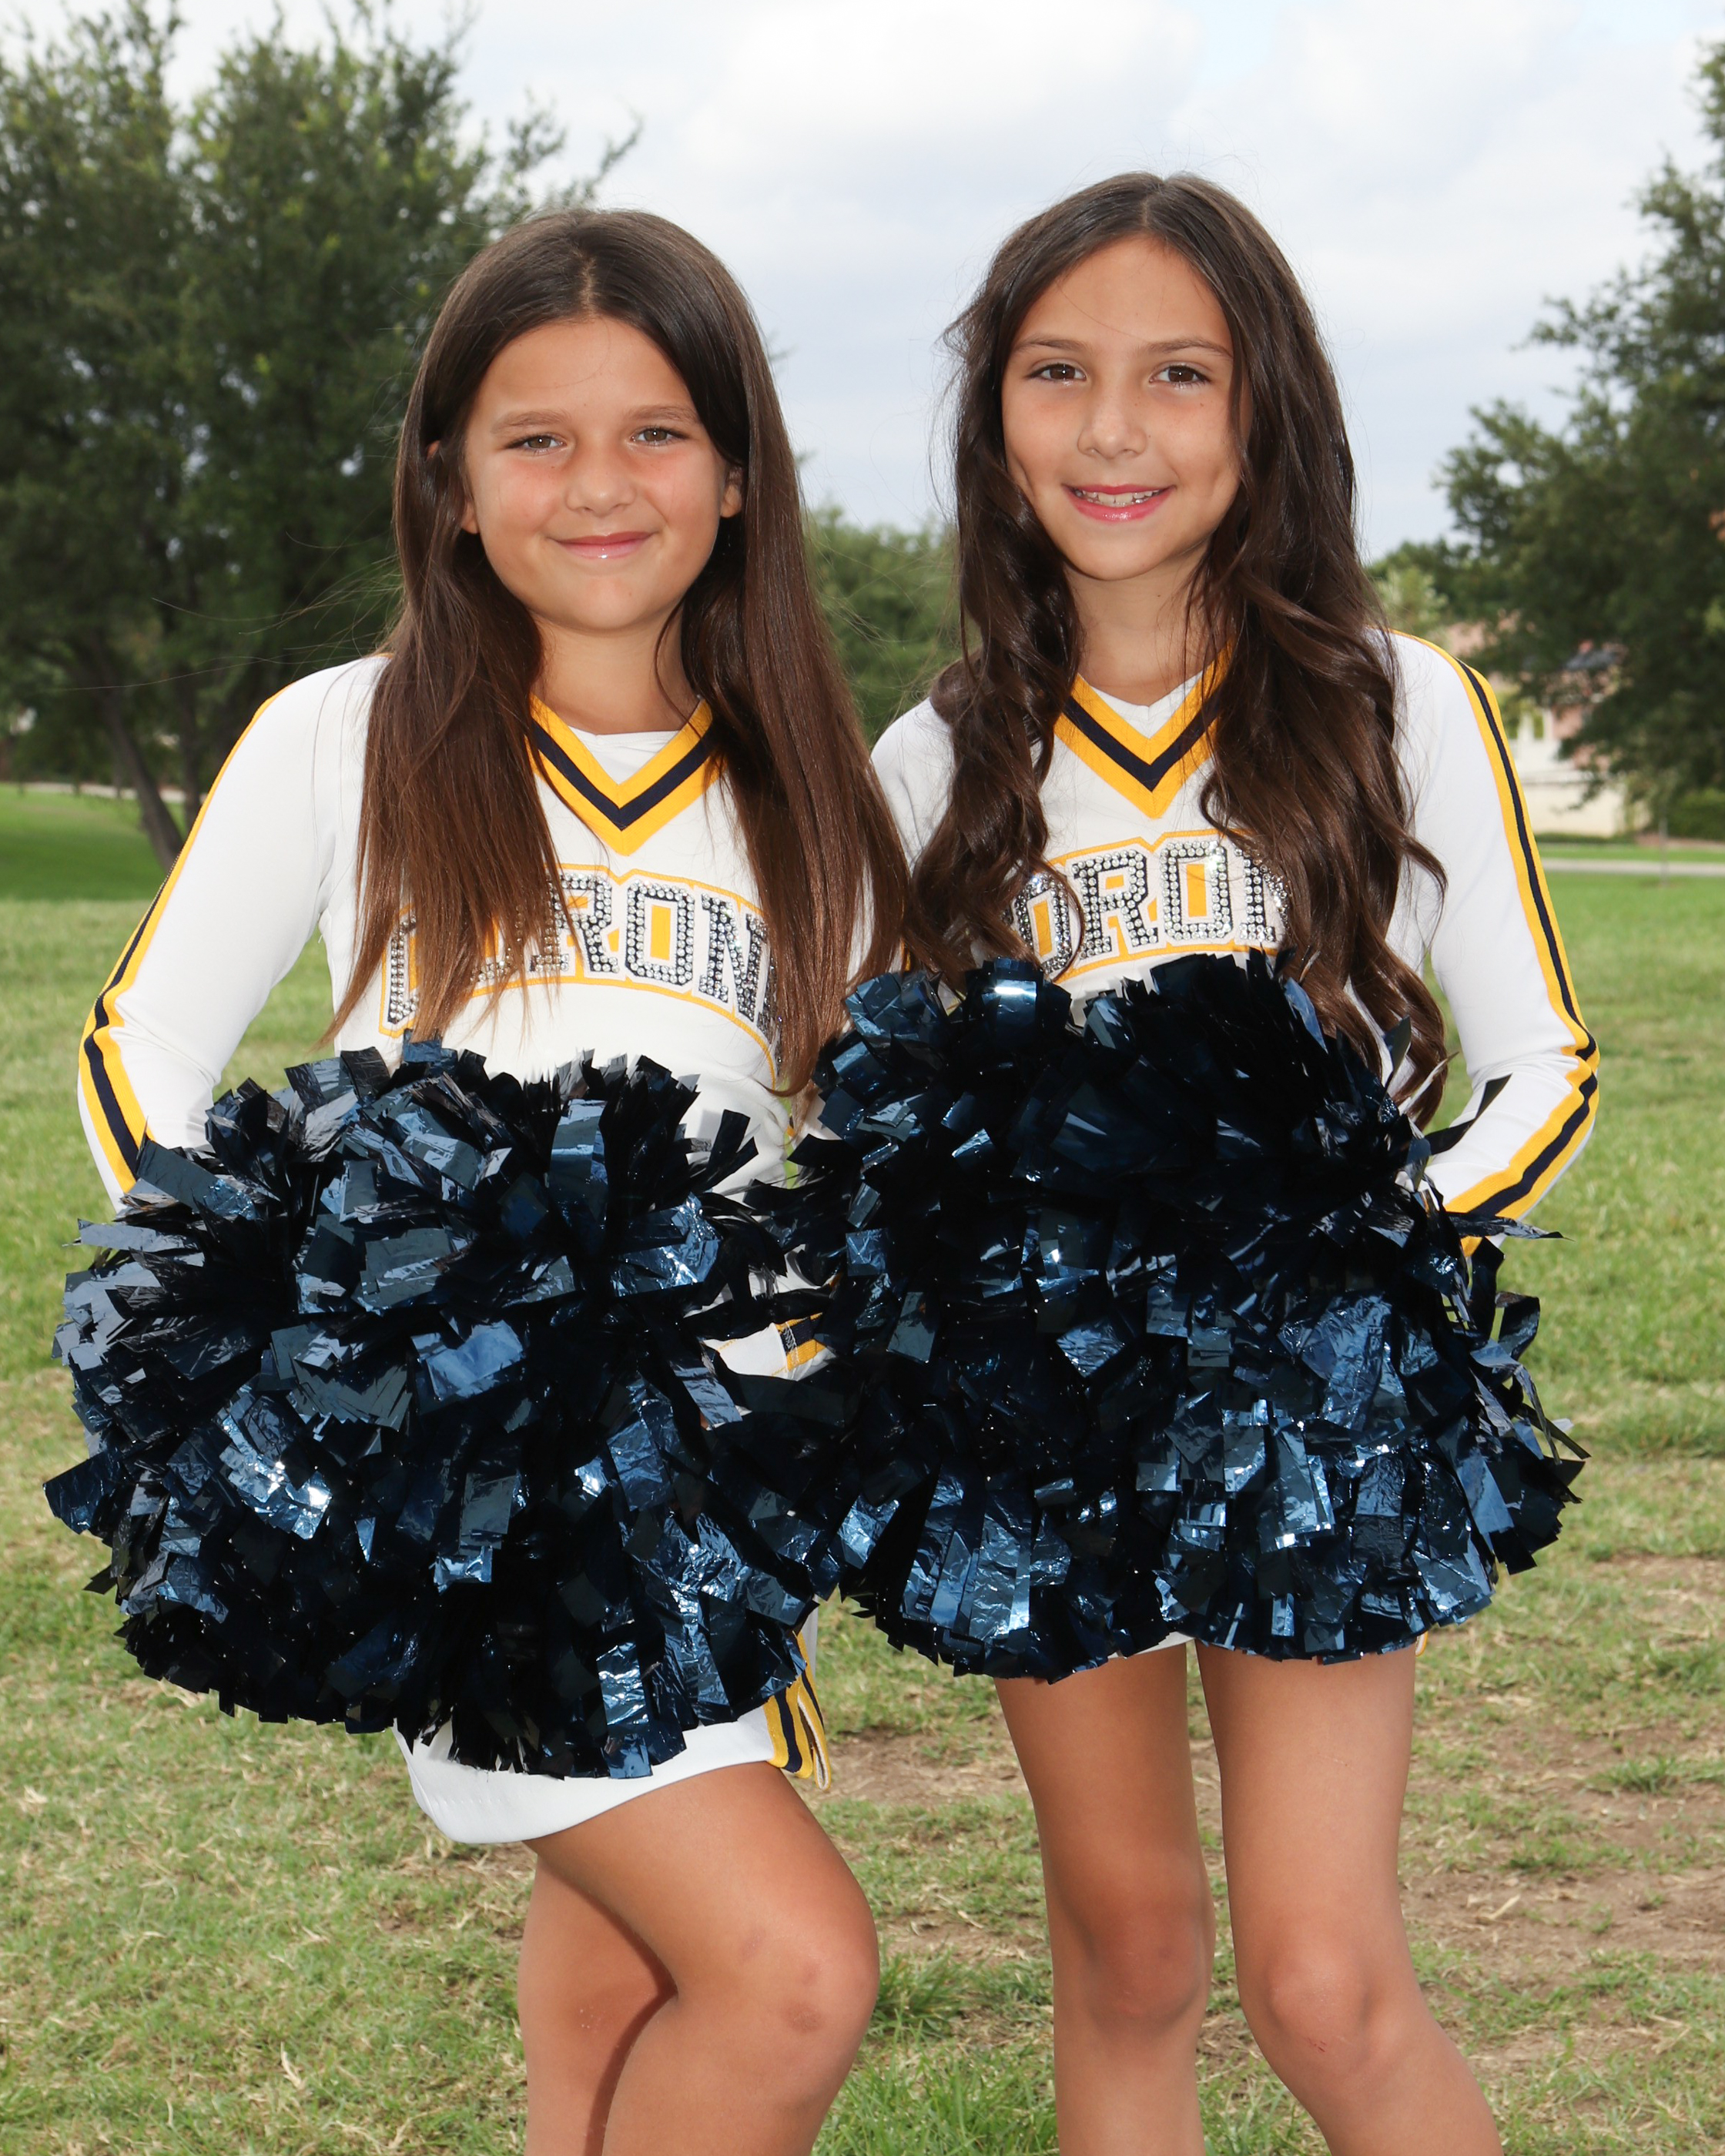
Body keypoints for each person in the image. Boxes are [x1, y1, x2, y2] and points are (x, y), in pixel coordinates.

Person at [75, 207, 905, 2156]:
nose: (597, 483)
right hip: (465, 1493)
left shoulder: (808, 796)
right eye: (536, 437)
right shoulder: (348, 734)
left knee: (620, 1983)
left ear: (736, 475)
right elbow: (141, 1046)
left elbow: (847, 1155)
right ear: (450, 480)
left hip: (706, 1495)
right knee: (790, 1970)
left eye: (655, 431)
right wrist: (301, 1346)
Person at [871, 173, 1596, 2156]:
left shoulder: (1393, 699)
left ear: (1267, 404)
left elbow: (1541, 1064)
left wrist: (1348, 1250)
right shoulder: (931, 761)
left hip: (1309, 1398)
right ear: (992, 413)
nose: (1113, 429)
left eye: (1178, 375)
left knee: (1321, 1978)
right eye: (1057, 373)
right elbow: (884, 1117)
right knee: (1125, 1953)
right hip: (1047, 1412)